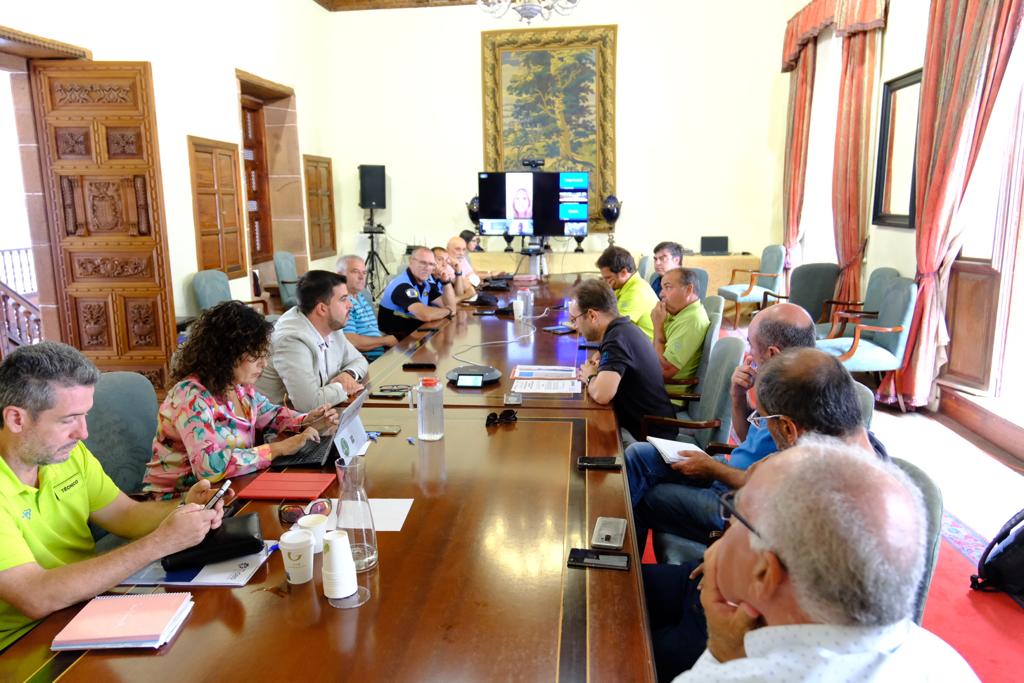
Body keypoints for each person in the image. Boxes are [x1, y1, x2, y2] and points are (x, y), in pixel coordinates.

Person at [674, 442, 978, 681]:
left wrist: (721, 654)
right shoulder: (947, 662)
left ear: (764, 573)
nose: (727, 526)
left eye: (735, 511)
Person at [0, 342, 230, 649]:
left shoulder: (66, 454)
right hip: (24, 644)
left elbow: (125, 515)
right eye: (68, 419)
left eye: (85, 416)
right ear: (16, 419)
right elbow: (35, 596)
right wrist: (160, 543)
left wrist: (186, 506)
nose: (83, 433)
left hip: (84, 609)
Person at [631, 346, 889, 566]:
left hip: (744, 582)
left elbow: (765, 566)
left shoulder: (821, 496)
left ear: (788, 429)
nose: (749, 359)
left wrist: (718, 573)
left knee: (645, 500)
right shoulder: (832, 447)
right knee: (642, 459)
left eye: (762, 420)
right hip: (742, 555)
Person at [143, 301, 336, 495]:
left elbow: (271, 414)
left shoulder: (238, 388)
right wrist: (277, 449)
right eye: (255, 355)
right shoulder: (190, 396)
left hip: (227, 490)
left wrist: (306, 420)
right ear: (227, 354)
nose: (264, 363)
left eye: (264, 354)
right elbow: (208, 467)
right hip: (178, 500)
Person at [571, 279, 676, 445]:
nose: (575, 326)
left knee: (585, 439)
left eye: (574, 319)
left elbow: (602, 395)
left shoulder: (617, 340)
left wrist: (590, 376)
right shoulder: (622, 328)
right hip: (646, 426)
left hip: (649, 438)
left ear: (592, 315)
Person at [255, 270, 369, 410]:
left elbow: (359, 360)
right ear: (322, 309)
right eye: (343, 299)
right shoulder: (291, 339)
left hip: (321, 414)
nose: (350, 305)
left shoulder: (332, 325)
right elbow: (309, 403)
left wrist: (348, 374)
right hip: (279, 420)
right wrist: (342, 387)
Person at [377, 246, 457, 340]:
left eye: (431, 264)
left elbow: (450, 305)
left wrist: (446, 282)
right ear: (411, 261)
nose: (427, 268)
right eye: (422, 263)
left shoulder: (426, 284)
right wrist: (448, 311)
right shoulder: (402, 285)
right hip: (396, 341)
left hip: (416, 333)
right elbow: (425, 315)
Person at [652, 268, 710, 387]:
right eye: (662, 288)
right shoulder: (678, 311)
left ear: (688, 290)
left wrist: (657, 326)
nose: (661, 294)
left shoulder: (692, 320)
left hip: (664, 393)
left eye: (668, 287)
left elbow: (664, 371)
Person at [337, 254, 398, 361]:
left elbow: (372, 331)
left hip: (381, 356)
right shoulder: (343, 302)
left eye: (364, 273)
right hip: (365, 362)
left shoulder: (361, 296)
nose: (362, 277)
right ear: (340, 275)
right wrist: (385, 341)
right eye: (355, 272)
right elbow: (352, 341)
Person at [596, 246, 659, 340]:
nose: (605, 282)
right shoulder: (622, 286)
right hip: (631, 341)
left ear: (623, 272)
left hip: (647, 346)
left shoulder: (636, 292)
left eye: (608, 278)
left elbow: (613, 327)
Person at [445, 236, 479, 301]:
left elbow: (475, 278)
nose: (461, 253)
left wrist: (468, 283)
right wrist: (468, 283)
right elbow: (461, 290)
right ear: (447, 249)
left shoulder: (461, 258)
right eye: (457, 249)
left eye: (464, 249)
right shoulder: (445, 263)